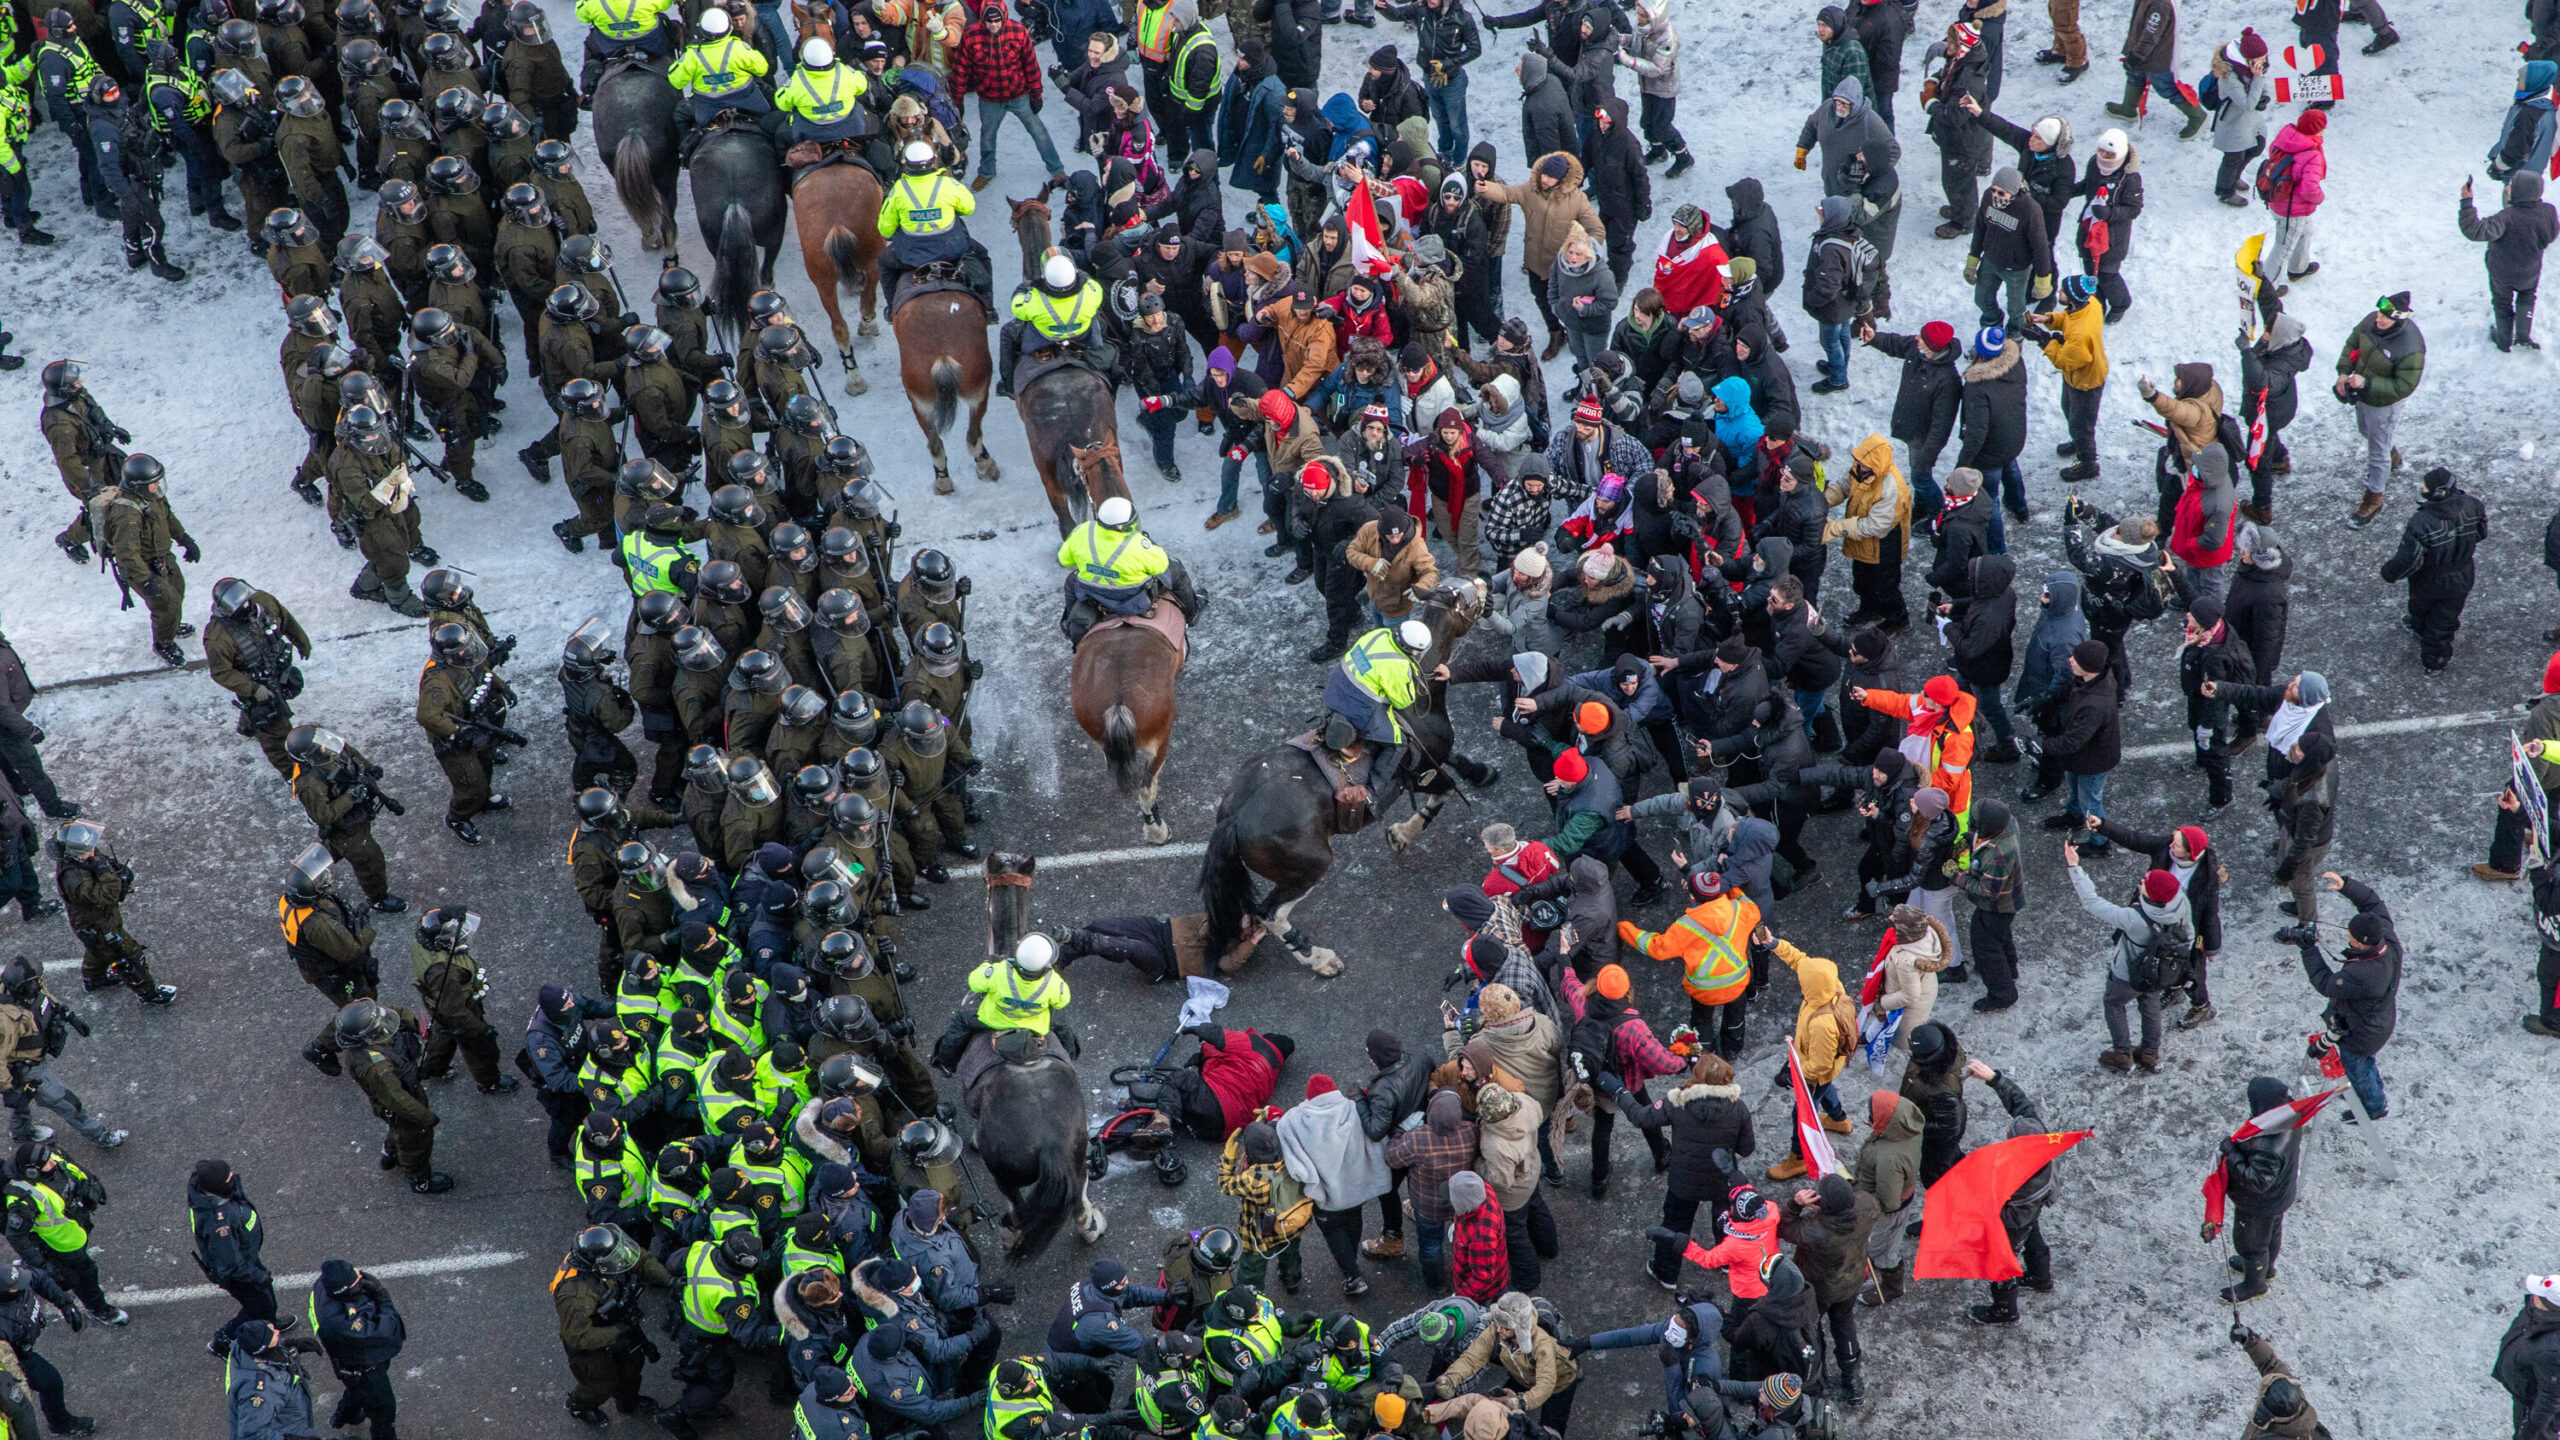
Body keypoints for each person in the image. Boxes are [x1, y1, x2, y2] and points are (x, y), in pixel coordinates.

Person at [2066, 845, 2190, 1074]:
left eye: (2145, 882)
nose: (2142, 881)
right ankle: (2150, 1053)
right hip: (2159, 971)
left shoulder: (2134, 919)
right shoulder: (2181, 903)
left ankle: (2122, 1053)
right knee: (2150, 1005)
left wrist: (2075, 868)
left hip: (2128, 974)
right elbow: (2188, 935)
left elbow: (2092, 902)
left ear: (2150, 895)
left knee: (2114, 1003)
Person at [2293, 871, 2400, 1122]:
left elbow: (2326, 984)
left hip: (2361, 1033)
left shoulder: (2363, 974)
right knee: (2365, 1064)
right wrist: (2347, 886)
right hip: (2378, 1021)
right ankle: (2370, 1091)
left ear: (2360, 943)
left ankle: (2374, 1107)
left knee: (2358, 1067)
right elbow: (2373, 903)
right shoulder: (2387, 938)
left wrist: (2308, 949)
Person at [1276, 1074, 1392, 1297]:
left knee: (1333, 1231)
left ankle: (1353, 1276)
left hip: (1325, 1195)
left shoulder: (1296, 1120)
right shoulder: (1353, 1109)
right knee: (1353, 1219)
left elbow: (1285, 1137)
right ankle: (1351, 1260)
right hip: (1355, 1189)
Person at [1054, 495, 1207, 645]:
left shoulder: (1082, 531)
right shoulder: (1137, 543)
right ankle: (1192, 612)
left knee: (1071, 581)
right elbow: (1160, 566)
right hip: (1133, 595)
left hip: (1093, 593)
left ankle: (1069, 624)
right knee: (1177, 571)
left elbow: (1065, 559)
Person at [2379, 467, 2488, 675]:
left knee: (2426, 609)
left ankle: (2431, 653)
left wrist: (2389, 573)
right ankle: (2434, 656)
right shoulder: (2474, 505)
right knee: (2445, 617)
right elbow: (2481, 533)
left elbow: (2410, 559)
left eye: (2426, 486)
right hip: (2463, 574)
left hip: (2429, 578)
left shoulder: (2422, 522)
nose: (2421, 487)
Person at [949, 0, 1066, 188]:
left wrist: (1036, 95)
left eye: (997, 21)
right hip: (989, 100)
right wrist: (957, 100)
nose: (993, 25)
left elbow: (1031, 66)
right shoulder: (971, 36)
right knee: (987, 137)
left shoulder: (1019, 32)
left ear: (1003, 17)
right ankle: (986, 172)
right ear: (983, 19)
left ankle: (1057, 169)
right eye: (989, 21)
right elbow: (961, 70)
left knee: (1039, 131)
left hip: (1019, 96)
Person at [2335, 291, 2427, 530]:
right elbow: (2352, 343)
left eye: (2385, 317)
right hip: (2364, 396)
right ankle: (2392, 455)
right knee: (2365, 430)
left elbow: (2405, 385)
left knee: (2377, 450)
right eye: (2379, 313)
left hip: (2384, 403)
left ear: (2398, 319)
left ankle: (2374, 497)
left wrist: (2367, 383)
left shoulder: (2410, 347)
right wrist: (2344, 372)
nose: (2378, 319)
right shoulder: (2370, 321)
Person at [2212, 1077, 2304, 1305]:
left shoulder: (2267, 1142)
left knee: (2251, 1244)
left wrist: (2231, 1152)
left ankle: (2255, 1284)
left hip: (2258, 1203)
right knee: (2271, 1232)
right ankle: (2265, 1268)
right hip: (2280, 1195)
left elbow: (2257, 1181)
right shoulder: (2291, 1115)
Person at [931, 932, 1072, 1071]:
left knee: (961, 1021)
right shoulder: (1054, 982)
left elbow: (974, 982)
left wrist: (988, 963)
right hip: (1034, 1026)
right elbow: (1062, 1002)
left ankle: (947, 1063)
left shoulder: (999, 971)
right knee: (1061, 1024)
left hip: (993, 1021)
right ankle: (1071, 1053)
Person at [310, 1260, 404, 1439]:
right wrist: (383, 1300)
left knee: (357, 1388)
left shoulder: (323, 1285)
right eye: (355, 1282)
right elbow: (385, 1329)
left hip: (348, 1362)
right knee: (383, 1412)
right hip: (366, 1365)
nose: (360, 1277)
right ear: (345, 1291)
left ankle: (345, 1415)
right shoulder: (342, 1323)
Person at [1000, 251, 1109, 399]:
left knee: (1007, 333)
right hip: (1081, 335)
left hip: (1043, 338)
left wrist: (1022, 289)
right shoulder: (1091, 292)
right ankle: (1109, 363)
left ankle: (1008, 385)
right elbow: (1091, 284)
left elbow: (1018, 310)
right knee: (1101, 325)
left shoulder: (1036, 299)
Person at [2105, 0, 2205, 137]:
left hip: (2155, 58)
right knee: (2134, 76)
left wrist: (2137, 56)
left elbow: (2150, 34)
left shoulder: (2160, 4)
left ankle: (2197, 116)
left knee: (2166, 88)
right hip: (2139, 50)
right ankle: (2128, 109)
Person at [2498, 1278, 2560, 1440]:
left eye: (2538, 1294)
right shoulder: (2538, 1313)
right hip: (2524, 1385)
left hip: (2531, 1400)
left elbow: (2549, 1400)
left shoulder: (2550, 1349)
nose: (2532, 1294)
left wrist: (2527, 1434)